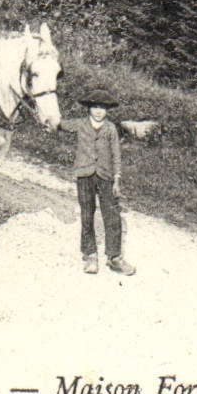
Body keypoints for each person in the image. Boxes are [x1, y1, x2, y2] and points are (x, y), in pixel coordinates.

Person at [57, 88, 136, 276]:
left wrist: (117, 178)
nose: (99, 111)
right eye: (95, 107)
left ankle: (115, 257)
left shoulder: (110, 129)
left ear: (107, 110)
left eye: (103, 108)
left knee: (112, 215)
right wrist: (48, 117)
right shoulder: (79, 124)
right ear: (89, 108)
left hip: (106, 176)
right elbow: (59, 124)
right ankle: (90, 255)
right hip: (84, 175)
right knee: (87, 215)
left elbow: (116, 154)